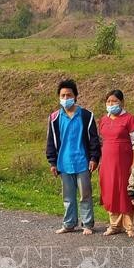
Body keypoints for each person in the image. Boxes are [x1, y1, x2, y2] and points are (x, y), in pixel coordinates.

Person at [46, 79, 101, 235]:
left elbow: (94, 140)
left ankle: (88, 224)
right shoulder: (54, 118)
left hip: (83, 163)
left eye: (69, 95)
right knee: (68, 197)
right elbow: (51, 141)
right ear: (59, 97)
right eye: (62, 95)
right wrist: (52, 162)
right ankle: (69, 224)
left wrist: (94, 158)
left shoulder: (86, 116)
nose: (65, 98)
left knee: (85, 195)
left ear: (75, 96)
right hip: (63, 163)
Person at [98, 89, 134, 237]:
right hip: (107, 162)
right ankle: (114, 224)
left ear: (122, 102)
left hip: (125, 161)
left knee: (125, 191)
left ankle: (130, 226)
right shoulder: (103, 120)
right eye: (109, 101)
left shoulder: (130, 119)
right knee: (110, 191)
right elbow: (100, 142)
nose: (111, 104)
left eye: (114, 101)